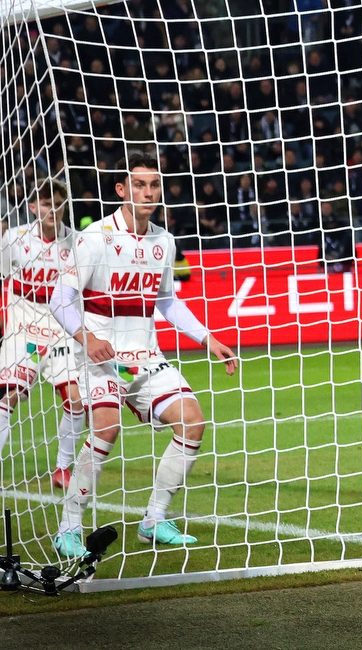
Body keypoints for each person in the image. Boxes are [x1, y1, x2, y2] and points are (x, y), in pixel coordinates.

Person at [48, 152, 238, 558]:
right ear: (121, 189)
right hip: (99, 356)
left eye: (154, 185)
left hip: (146, 355)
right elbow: (60, 299)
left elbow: (168, 302)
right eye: (138, 184)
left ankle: (154, 519)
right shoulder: (94, 237)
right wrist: (86, 337)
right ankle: (68, 527)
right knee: (106, 427)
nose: (147, 192)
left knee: (192, 421)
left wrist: (208, 339)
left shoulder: (164, 241)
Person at [0, 179, 85, 488]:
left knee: (77, 401)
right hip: (23, 328)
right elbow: (3, 277)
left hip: (61, 331)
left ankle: (63, 468)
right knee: (9, 397)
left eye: (59, 203)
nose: (54, 209)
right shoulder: (14, 238)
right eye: (47, 203)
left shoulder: (76, 243)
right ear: (34, 207)